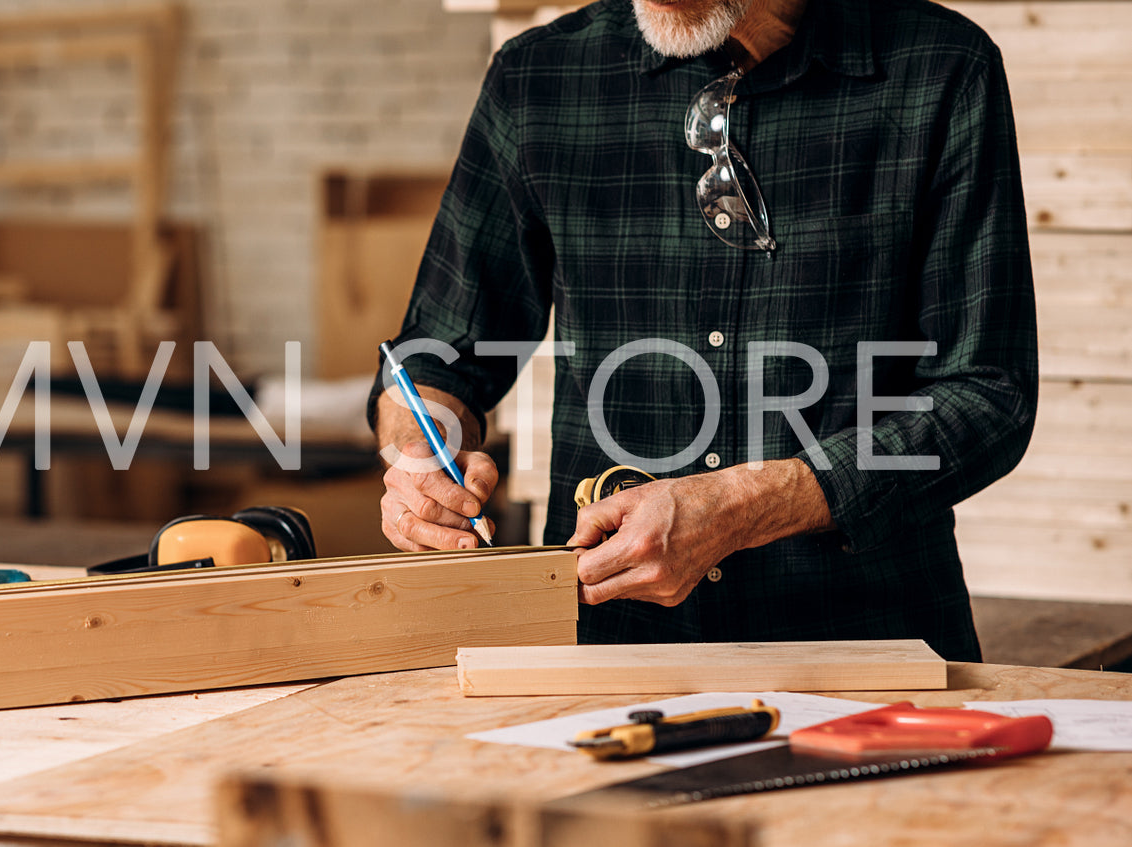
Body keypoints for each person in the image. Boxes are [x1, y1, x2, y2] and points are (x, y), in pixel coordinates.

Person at [368, 0, 1036, 662]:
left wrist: (745, 504)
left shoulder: (942, 67)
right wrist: (418, 454)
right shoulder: (536, 77)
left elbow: (985, 394)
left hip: (867, 645)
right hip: (605, 650)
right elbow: (440, 354)